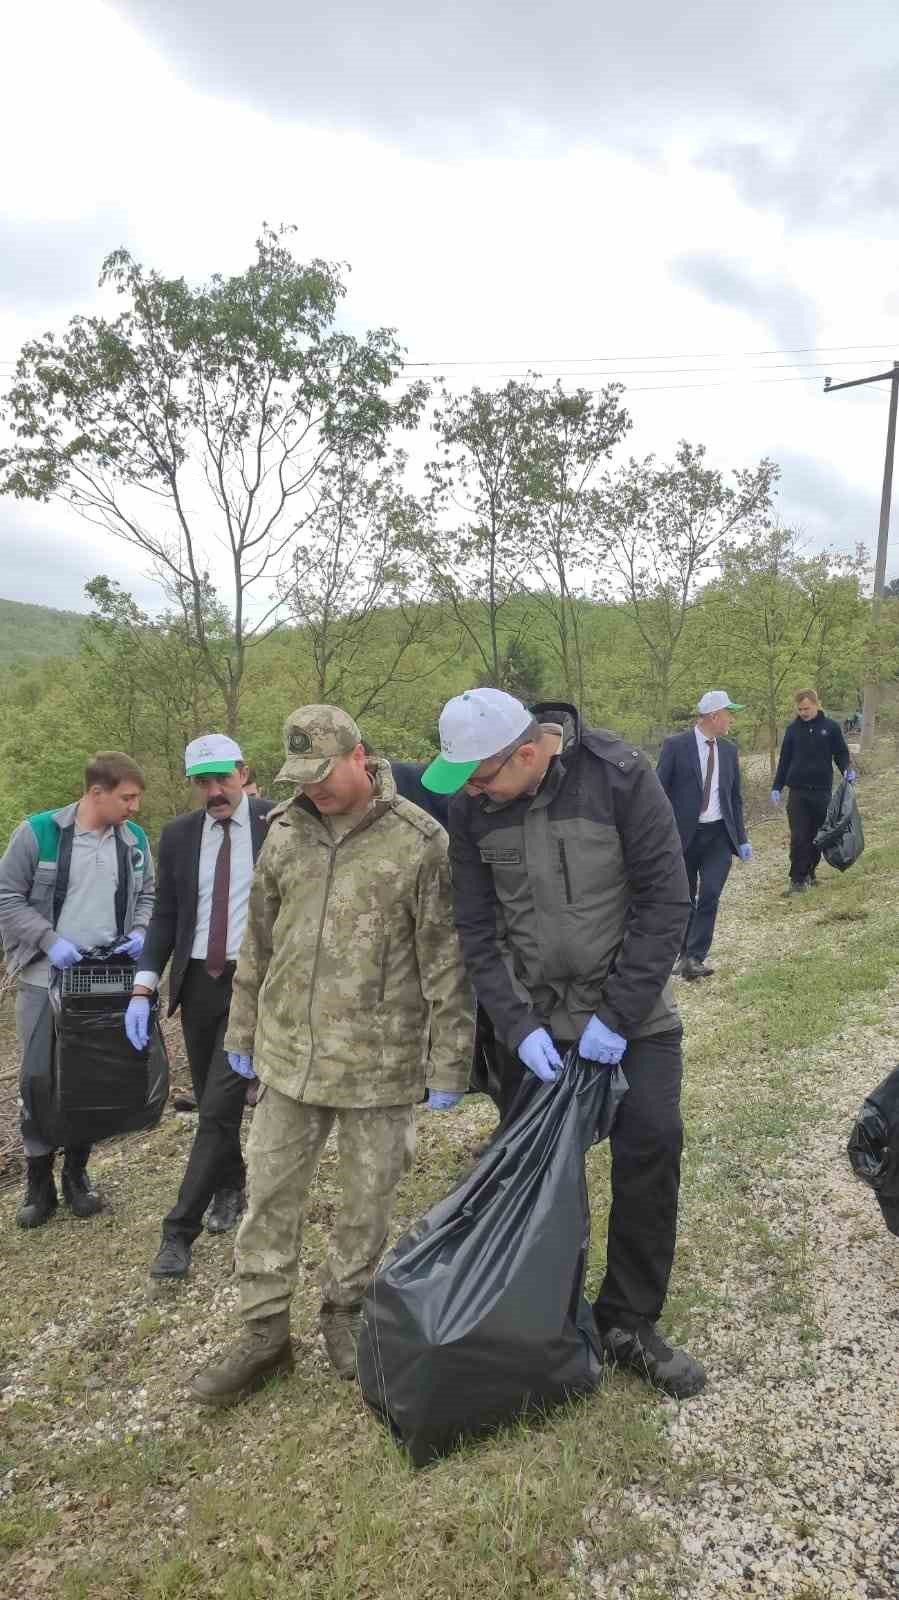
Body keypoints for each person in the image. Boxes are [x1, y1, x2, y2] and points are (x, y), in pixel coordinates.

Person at [421, 688, 705, 1400]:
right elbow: (477, 933)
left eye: (483, 777)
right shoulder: (470, 807)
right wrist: (516, 1028)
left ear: (525, 753)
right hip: (535, 1027)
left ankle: (628, 1322)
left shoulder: (616, 775)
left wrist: (617, 1013)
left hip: (629, 1017)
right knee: (538, 1176)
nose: (475, 793)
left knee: (651, 1148)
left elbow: (666, 898)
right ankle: (544, 1322)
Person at [189, 705, 474, 1404]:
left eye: (322, 776)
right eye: (301, 778)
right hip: (288, 1054)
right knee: (269, 1196)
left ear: (358, 756)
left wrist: (448, 1064)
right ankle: (264, 1335)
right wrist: (242, 1034)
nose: (312, 789)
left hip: (380, 1063)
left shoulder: (420, 840)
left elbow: (446, 962)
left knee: (366, 1200)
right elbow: (257, 941)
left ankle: (344, 1310)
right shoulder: (283, 830)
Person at [124, 735, 274, 1281]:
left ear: (243, 771)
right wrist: (145, 985)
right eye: (202, 782)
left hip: (253, 985)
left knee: (215, 1107)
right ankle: (230, 1185)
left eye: (222, 779)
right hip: (198, 985)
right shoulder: (180, 835)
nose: (214, 792)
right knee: (218, 1103)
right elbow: (166, 913)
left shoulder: (276, 822)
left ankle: (177, 1231)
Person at [0, 752, 154, 1229]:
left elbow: (149, 893)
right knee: (38, 1080)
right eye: (126, 798)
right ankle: (39, 1182)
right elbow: (6, 896)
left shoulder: (134, 841)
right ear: (96, 793)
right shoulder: (39, 833)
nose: (133, 807)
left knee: (92, 1077)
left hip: (104, 981)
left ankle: (77, 1176)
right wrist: (49, 940)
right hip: (45, 979)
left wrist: (143, 931)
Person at [655, 690, 752, 981]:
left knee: (710, 893)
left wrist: (743, 838)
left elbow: (735, 798)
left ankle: (696, 957)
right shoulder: (676, 746)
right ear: (714, 716)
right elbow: (658, 792)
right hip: (683, 836)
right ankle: (683, 953)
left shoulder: (730, 750)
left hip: (719, 835)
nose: (731, 719)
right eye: (729, 713)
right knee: (685, 898)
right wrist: (658, 836)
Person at [771, 689, 855, 895]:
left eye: (807, 708)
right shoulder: (792, 730)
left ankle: (810, 872)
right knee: (799, 836)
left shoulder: (831, 728)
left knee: (817, 836)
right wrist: (777, 786)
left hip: (822, 791)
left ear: (817, 705)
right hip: (798, 792)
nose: (803, 712)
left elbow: (841, 753)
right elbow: (784, 760)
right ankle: (797, 880)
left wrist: (847, 769)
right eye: (800, 709)